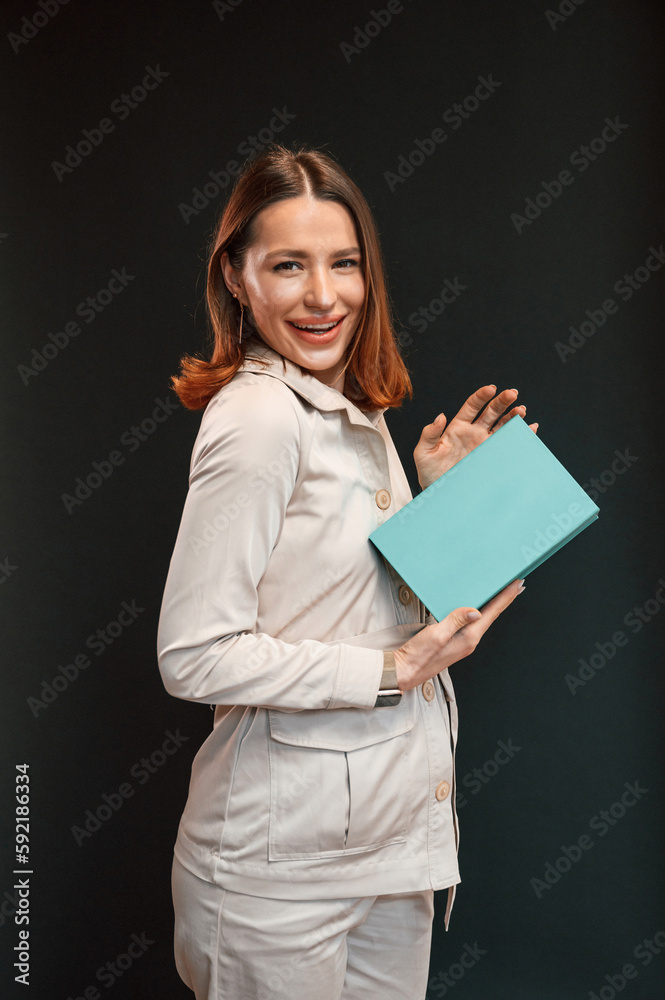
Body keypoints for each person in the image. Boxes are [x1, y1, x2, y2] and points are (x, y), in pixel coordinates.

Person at [157, 143, 536, 1000]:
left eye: (344, 265)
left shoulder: (350, 414)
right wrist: (394, 670)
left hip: (387, 853)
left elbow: (350, 602)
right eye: (288, 266)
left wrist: (436, 504)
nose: (323, 296)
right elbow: (194, 654)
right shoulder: (258, 419)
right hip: (277, 876)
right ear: (237, 277)